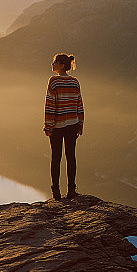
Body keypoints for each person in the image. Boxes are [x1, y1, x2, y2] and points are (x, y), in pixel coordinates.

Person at [44, 53, 84, 200]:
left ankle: (56, 193)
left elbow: (50, 105)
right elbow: (79, 104)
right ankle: (71, 191)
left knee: (56, 157)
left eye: (54, 62)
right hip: (72, 125)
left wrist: (48, 126)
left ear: (61, 65)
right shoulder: (75, 82)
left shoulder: (53, 82)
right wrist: (80, 124)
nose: (52, 64)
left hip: (57, 127)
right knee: (71, 157)